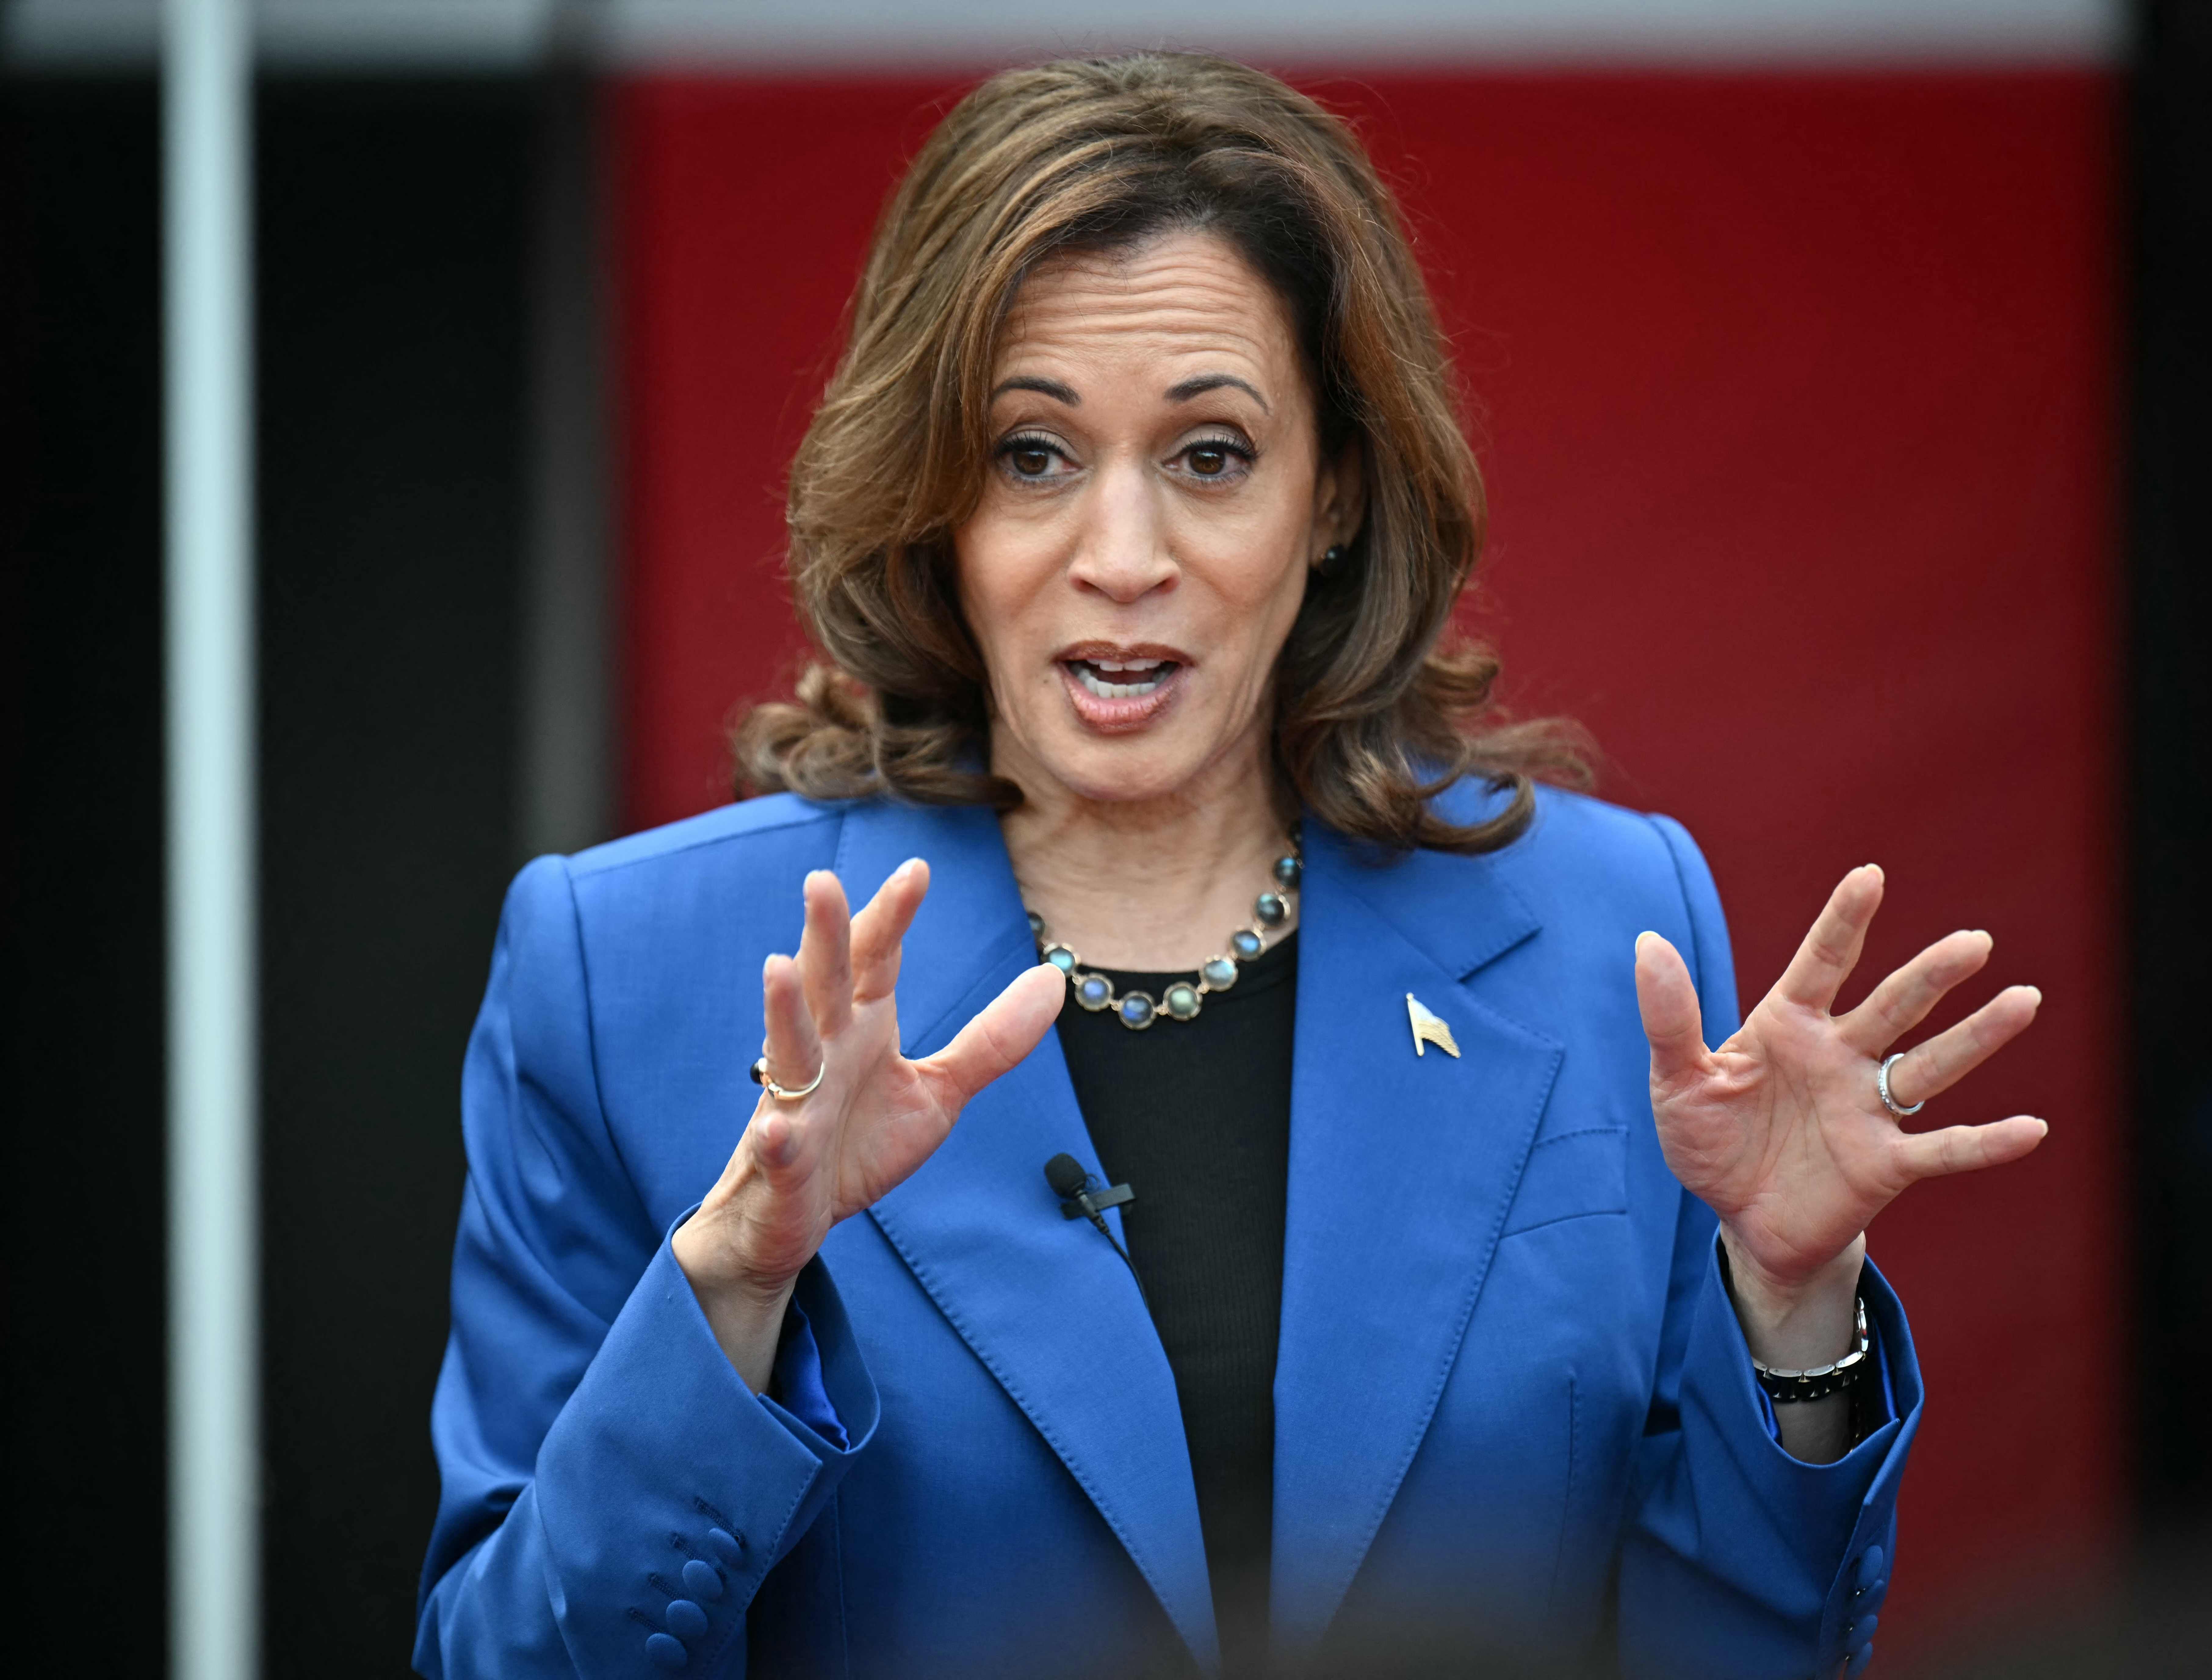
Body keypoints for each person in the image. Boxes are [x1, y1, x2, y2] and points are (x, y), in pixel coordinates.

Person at [415, 51, 2048, 1680]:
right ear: (936, 503)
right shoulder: (627, 970)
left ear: (1333, 493)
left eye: (1210, 456)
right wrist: (733, 1294)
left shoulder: (1605, 932)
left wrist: (1792, 1313)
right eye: (1032, 455)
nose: (1121, 560)